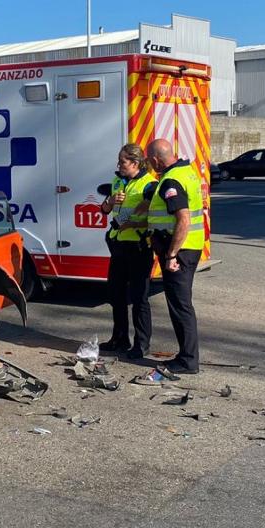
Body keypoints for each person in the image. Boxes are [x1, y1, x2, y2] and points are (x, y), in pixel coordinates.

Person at [144, 139, 204, 375]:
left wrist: (171, 254)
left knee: (180, 306)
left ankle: (188, 360)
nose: (150, 164)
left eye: (151, 160)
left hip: (180, 252)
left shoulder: (171, 180)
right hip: (191, 247)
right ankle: (187, 356)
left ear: (157, 158)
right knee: (182, 304)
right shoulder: (186, 171)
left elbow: (184, 219)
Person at [99, 143, 156, 359]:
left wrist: (133, 225)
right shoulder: (118, 181)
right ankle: (119, 339)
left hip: (139, 247)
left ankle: (141, 345)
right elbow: (104, 211)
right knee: (116, 295)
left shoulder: (149, 185)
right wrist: (111, 201)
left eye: (123, 161)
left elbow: (155, 218)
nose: (119, 165)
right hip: (118, 244)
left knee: (139, 298)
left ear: (135, 162)